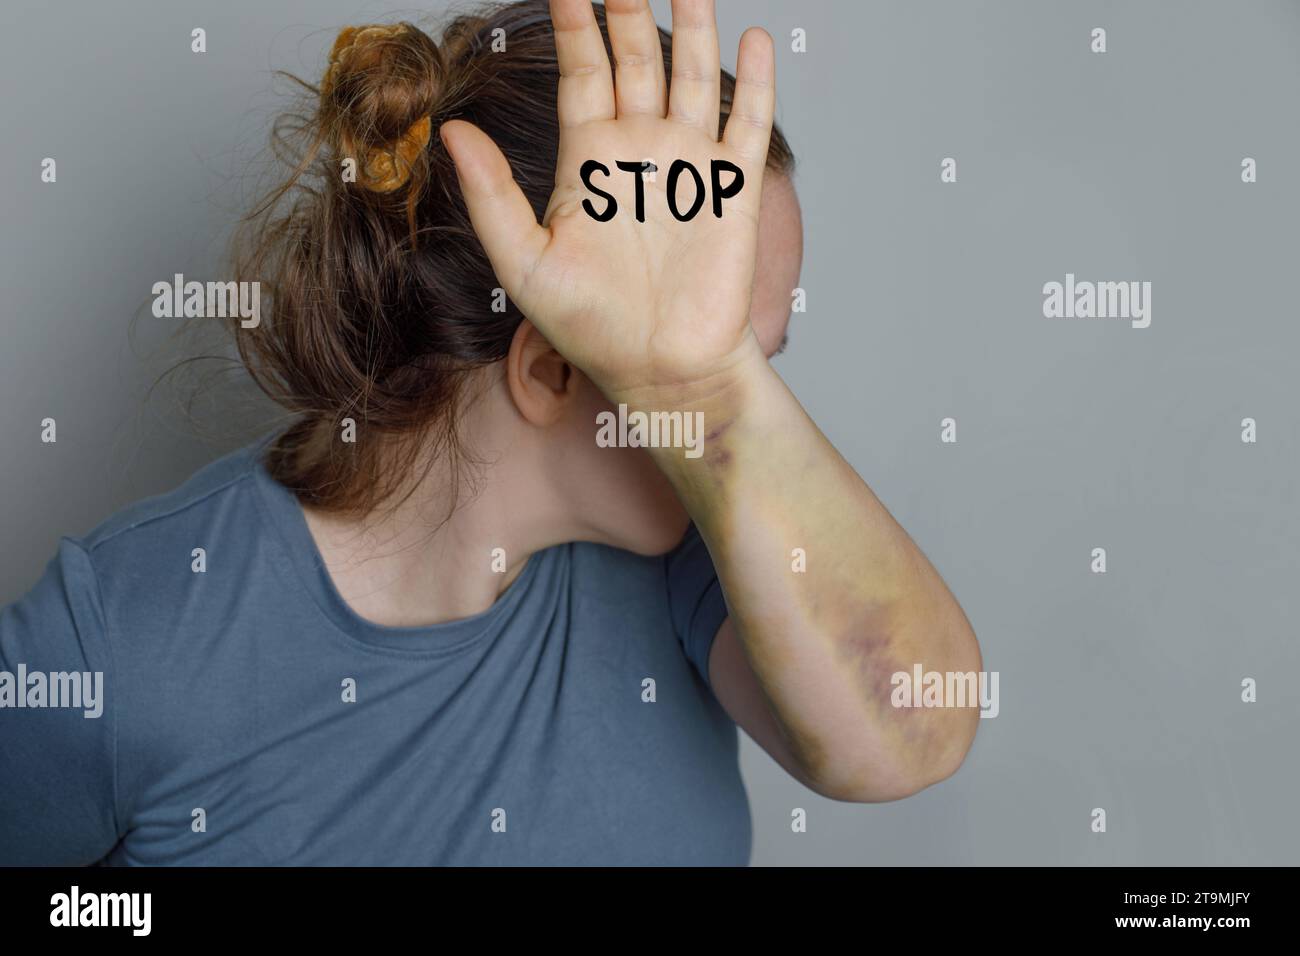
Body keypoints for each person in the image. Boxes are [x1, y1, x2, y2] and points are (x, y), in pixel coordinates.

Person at [0, 0, 981, 866]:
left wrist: (710, 381)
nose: (744, 416)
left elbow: (911, 734)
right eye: (730, 355)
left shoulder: (699, 556)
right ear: (551, 368)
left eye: (751, 368)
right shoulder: (126, 642)